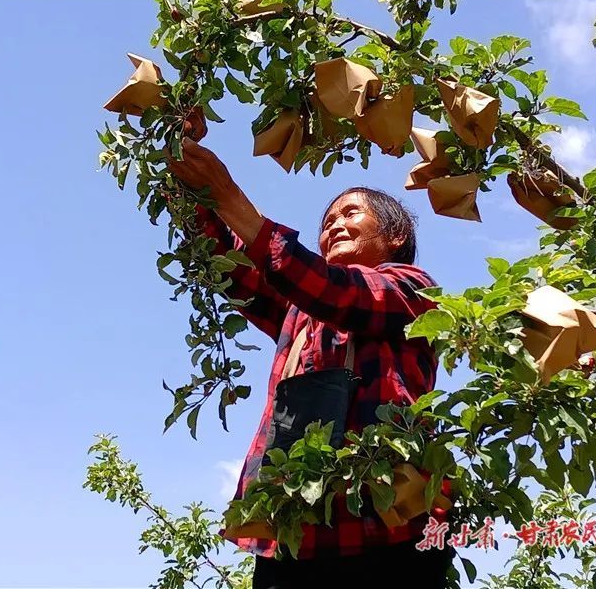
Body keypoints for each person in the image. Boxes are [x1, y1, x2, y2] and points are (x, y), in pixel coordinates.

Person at [167, 137, 455, 589]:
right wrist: (183, 167)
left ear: (395, 235)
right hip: (295, 525)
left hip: (385, 519)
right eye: (327, 221)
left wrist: (227, 194)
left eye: (350, 213)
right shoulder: (298, 310)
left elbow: (336, 292)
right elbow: (230, 269)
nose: (334, 225)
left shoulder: (411, 288)